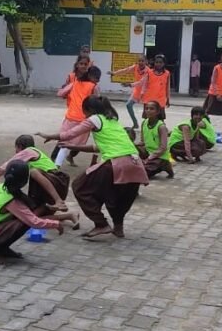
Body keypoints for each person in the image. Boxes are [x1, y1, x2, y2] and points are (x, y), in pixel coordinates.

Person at [38, 95, 149, 238]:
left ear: (89, 110)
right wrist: (73, 146)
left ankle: (101, 224)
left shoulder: (94, 119)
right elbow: (98, 147)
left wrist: (51, 136)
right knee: (118, 196)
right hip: (135, 163)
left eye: (84, 111)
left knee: (80, 187)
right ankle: (118, 227)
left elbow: (71, 133)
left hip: (115, 163)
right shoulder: (113, 121)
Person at [0, 160, 80, 263]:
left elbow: (26, 204)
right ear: (24, 181)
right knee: (24, 222)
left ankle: (2, 249)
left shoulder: (1, 188)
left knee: (22, 218)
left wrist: (48, 207)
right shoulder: (12, 202)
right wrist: (55, 224)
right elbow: (33, 221)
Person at [0, 135, 71, 212]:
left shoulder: (28, 151)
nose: (16, 152)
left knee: (33, 172)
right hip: (59, 182)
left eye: (16, 148)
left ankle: (58, 201)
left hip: (57, 180)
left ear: (19, 146)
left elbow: (9, 163)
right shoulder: (35, 152)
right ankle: (70, 215)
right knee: (36, 213)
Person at [54, 59, 100, 167]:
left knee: (65, 142)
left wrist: (69, 95)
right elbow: (98, 102)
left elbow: (60, 93)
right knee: (79, 144)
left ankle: (56, 165)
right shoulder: (94, 86)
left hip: (70, 117)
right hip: (84, 119)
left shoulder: (75, 83)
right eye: (97, 78)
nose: (97, 80)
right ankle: (60, 162)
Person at [108, 54, 149, 129]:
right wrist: (114, 73)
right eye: (139, 61)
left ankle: (147, 127)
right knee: (128, 105)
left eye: (142, 61)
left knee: (147, 111)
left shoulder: (148, 71)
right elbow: (125, 70)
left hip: (146, 92)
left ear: (146, 61)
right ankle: (135, 123)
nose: (141, 62)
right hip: (137, 91)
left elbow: (141, 82)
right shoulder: (135, 67)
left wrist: (130, 84)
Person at [135, 101, 173, 179]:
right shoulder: (144, 123)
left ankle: (165, 164)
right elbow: (143, 142)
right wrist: (132, 145)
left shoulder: (161, 127)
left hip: (159, 156)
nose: (148, 111)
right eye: (147, 108)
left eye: (152, 109)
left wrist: (149, 158)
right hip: (147, 152)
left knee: (141, 173)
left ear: (158, 111)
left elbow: (163, 148)